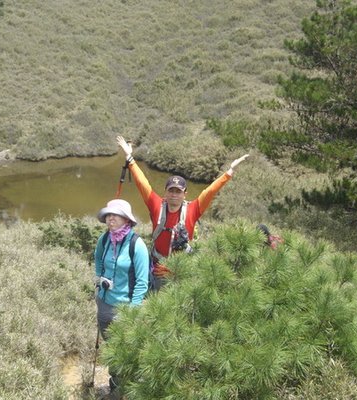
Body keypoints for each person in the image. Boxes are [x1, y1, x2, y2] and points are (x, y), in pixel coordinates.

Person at [116, 135, 249, 290]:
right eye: (171, 190)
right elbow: (142, 182)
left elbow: (210, 191)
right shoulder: (156, 206)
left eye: (178, 191)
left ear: (185, 194)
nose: (174, 194)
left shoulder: (193, 209)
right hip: (160, 268)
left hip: (184, 269)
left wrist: (230, 171)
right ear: (165, 193)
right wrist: (129, 157)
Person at [94, 198, 149, 392]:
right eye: (108, 215)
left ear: (126, 219)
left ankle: (124, 389)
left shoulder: (137, 245)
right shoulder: (105, 239)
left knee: (124, 351)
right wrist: (100, 279)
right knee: (110, 349)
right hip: (104, 303)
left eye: (115, 215)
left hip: (125, 309)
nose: (110, 219)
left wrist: (132, 313)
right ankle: (115, 386)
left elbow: (142, 283)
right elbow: (98, 259)